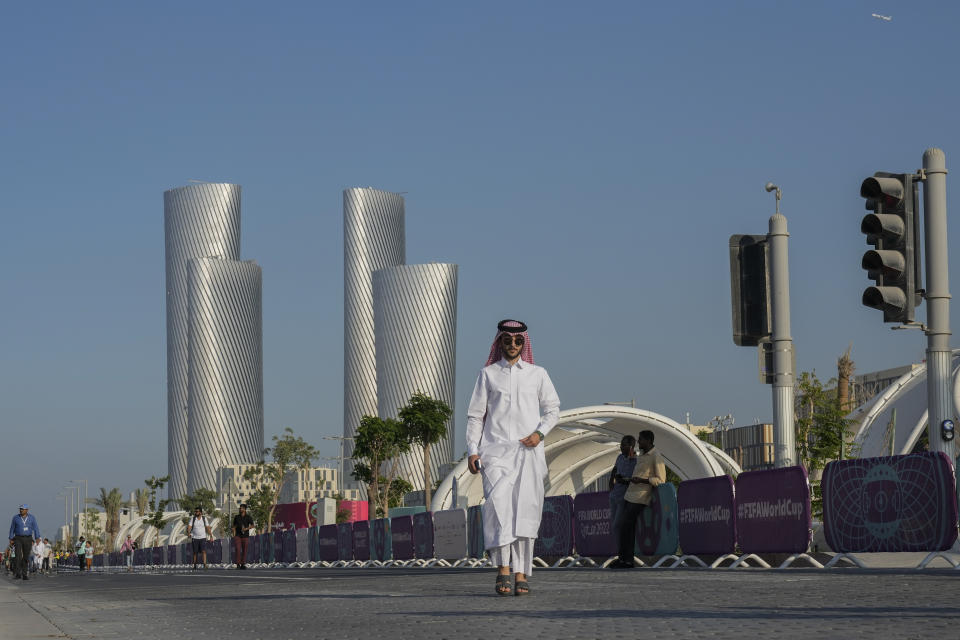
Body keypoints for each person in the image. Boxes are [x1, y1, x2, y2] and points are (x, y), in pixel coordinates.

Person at [466, 319, 560, 596]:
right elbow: (475, 415)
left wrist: (540, 433)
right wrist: (473, 449)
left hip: (528, 453)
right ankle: (502, 568)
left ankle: (521, 573)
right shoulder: (488, 374)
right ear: (500, 342)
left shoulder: (538, 374)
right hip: (494, 452)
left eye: (518, 341)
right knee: (497, 507)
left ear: (524, 343)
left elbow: (553, 409)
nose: (513, 345)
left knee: (525, 511)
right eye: (507, 340)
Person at [614, 430, 666, 568]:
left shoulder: (656, 456)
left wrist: (642, 480)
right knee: (624, 528)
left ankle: (628, 560)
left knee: (626, 526)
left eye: (641, 439)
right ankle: (622, 559)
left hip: (640, 497)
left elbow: (661, 480)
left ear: (649, 441)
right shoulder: (642, 456)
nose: (638, 442)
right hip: (629, 495)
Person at [608, 435, 637, 547]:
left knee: (617, 525)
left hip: (624, 498)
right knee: (614, 526)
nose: (620, 447)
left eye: (623, 445)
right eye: (621, 444)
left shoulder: (636, 461)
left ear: (630, 447)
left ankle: (621, 550)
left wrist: (623, 480)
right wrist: (612, 480)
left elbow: (634, 480)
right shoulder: (620, 457)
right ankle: (620, 550)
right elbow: (615, 469)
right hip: (614, 496)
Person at [8, 504, 41, 580]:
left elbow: (36, 527)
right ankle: (18, 574)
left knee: (26, 557)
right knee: (18, 556)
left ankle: (24, 574)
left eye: (22, 509)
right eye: (20, 509)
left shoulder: (32, 518)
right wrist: (11, 538)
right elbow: (12, 528)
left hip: (28, 538)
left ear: (27, 510)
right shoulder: (15, 518)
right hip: (18, 538)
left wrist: (37, 537)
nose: (21, 510)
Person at [231, 504, 254, 570]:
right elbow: (234, 526)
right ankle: (238, 564)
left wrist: (246, 529)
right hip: (238, 536)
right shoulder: (237, 517)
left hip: (245, 536)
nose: (240, 509)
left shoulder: (248, 517)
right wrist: (233, 533)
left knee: (244, 550)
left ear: (244, 509)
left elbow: (252, 525)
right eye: (240, 508)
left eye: (241, 508)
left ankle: (243, 564)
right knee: (238, 549)